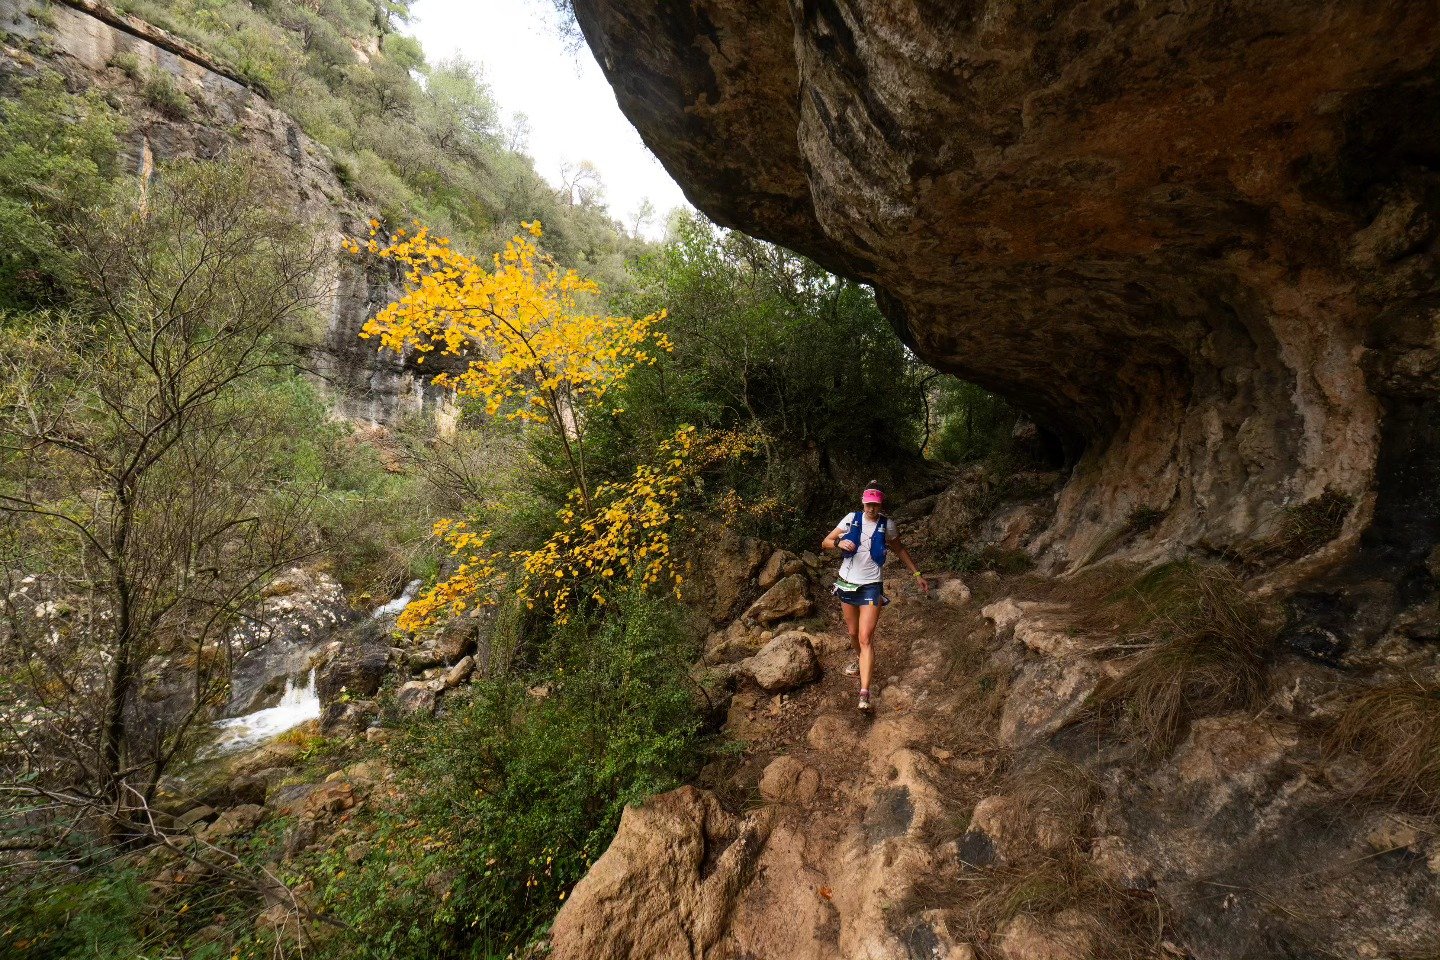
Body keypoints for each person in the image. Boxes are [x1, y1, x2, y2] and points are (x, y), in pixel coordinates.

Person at [821, 483, 927, 711]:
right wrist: (839, 542)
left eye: (875, 504)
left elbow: (899, 548)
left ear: (880, 505)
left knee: (865, 636)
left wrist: (916, 573)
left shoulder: (887, 525)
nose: (871, 508)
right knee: (852, 633)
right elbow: (825, 542)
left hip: (871, 586)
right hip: (846, 584)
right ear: (863, 502)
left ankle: (864, 693)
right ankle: (860, 662)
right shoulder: (851, 518)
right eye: (868, 503)